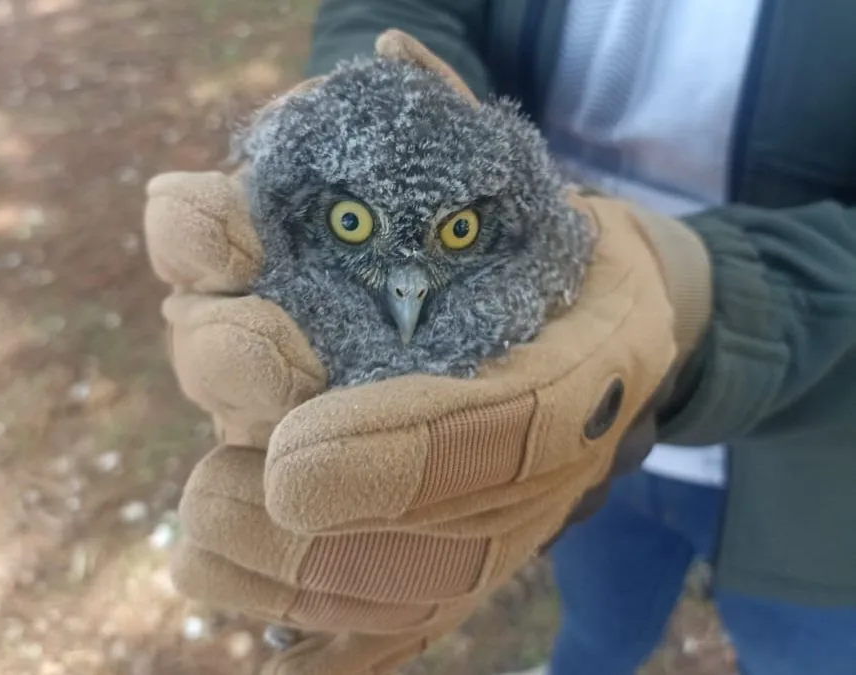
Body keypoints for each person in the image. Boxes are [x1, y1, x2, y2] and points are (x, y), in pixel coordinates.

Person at [142, 2, 856, 675]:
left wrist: (699, 296)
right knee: (598, 616)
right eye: (352, 228)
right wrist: (364, 137)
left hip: (821, 474)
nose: (404, 290)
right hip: (551, 418)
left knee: (802, 647)